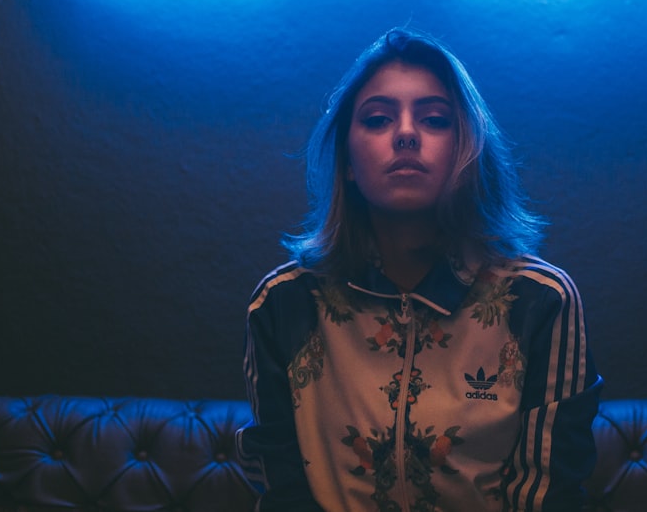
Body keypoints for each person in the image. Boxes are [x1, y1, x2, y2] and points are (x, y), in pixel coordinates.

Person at [236, 28, 602, 511]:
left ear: (466, 149)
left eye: (434, 119)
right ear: (346, 159)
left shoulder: (541, 300)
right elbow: (283, 488)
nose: (406, 134)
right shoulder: (285, 303)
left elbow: (548, 493)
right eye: (378, 119)